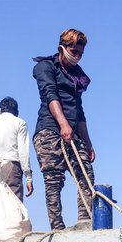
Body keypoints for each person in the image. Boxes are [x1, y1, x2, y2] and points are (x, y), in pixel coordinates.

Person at [32, 29, 95, 230]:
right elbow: (50, 95)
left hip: (73, 132)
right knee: (54, 179)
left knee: (86, 174)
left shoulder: (77, 76)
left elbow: (79, 110)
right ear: (62, 47)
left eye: (80, 53)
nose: (76, 56)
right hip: (50, 130)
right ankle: (57, 227)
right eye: (73, 51)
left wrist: (87, 141)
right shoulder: (46, 67)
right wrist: (63, 124)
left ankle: (85, 221)